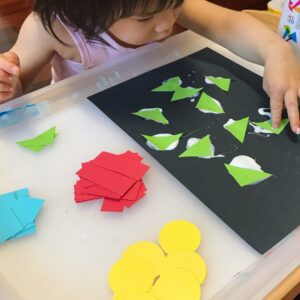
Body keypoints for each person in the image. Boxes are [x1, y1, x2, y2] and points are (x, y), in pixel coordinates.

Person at [0, 0, 299, 133]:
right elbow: (18, 93)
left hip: (167, 114)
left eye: (175, 4)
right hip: (89, 127)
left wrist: (274, 49)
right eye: (145, 18)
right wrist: (8, 85)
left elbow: (227, 23)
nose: (167, 24)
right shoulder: (52, 28)